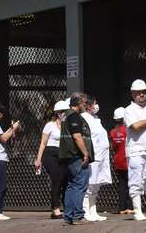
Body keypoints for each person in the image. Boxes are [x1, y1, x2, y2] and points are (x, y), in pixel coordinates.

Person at [124, 79, 146, 221]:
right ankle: (137, 210)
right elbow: (135, 126)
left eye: (143, 92)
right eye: (138, 93)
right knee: (136, 181)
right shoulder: (129, 110)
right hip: (136, 150)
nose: (141, 95)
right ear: (133, 94)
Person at [59, 92, 94, 225]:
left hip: (68, 156)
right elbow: (77, 136)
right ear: (78, 103)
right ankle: (78, 216)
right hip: (76, 156)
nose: (86, 105)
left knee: (71, 186)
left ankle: (68, 216)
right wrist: (85, 153)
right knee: (80, 185)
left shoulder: (65, 115)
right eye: (84, 103)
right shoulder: (74, 116)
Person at [34, 100, 69, 219]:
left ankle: (67, 206)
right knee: (57, 177)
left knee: (65, 180)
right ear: (58, 113)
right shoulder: (50, 125)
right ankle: (55, 208)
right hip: (50, 154)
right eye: (63, 111)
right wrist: (38, 159)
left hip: (63, 155)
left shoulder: (66, 125)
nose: (65, 113)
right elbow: (43, 143)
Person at [81, 97, 112, 222]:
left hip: (102, 156)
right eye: (94, 104)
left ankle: (93, 210)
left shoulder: (96, 119)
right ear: (88, 106)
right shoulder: (84, 118)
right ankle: (85, 211)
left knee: (96, 185)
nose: (96, 106)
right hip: (93, 156)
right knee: (90, 184)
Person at [109, 107, 134, 215]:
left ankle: (121, 207)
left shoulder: (113, 132)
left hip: (118, 160)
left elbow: (113, 147)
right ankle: (131, 206)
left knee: (122, 184)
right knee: (132, 183)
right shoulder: (128, 130)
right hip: (128, 159)